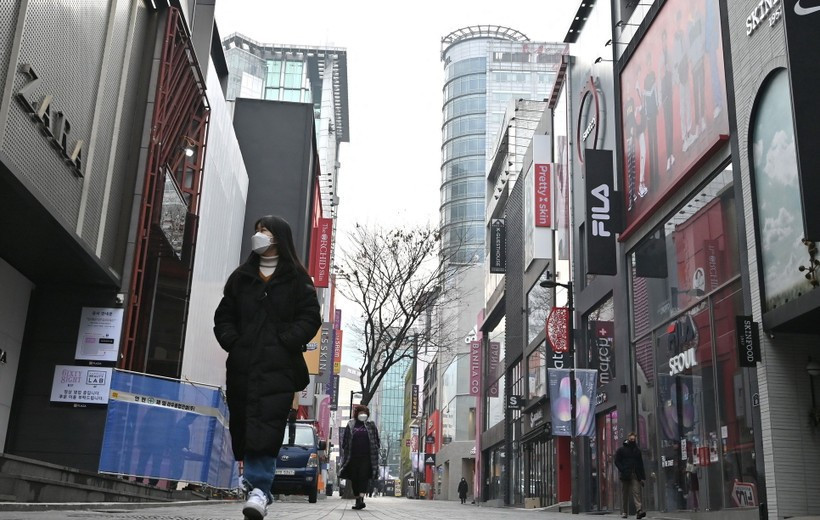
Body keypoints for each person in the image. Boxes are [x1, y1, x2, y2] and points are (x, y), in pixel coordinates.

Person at [213, 215, 321, 520]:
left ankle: (259, 489)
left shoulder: (298, 279)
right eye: (258, 230)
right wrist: (235, 343)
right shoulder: (241, 277)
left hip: (280, 367)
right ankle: (254, 486)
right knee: (245, 424)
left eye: (265, 231)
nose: (259, 235)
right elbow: (223, 317)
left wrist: (285, 341)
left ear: (278, 238)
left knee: (268, 427)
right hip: (243, 366)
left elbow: (310, 318)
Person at [339, 404, 381, 510]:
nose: (363, 415)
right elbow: (345, 439)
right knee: (354, 478)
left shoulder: (371, 425)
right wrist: (346, 449)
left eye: (365, 413)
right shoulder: (351, 424)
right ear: (357, 414)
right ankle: (357, 498)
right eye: (361, 413)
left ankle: (361, 499)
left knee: (363, 477)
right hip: (353, 457)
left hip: (367, 457)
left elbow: (376, 439)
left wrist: (376, 448)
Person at [614, 432, 646, 519]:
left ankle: (639, 510)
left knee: (636, 492)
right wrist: (622, 469)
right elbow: (617, 461)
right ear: (628, 438)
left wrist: (642, 477)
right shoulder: (622, 450)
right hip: (625, 475)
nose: (632, 440)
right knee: (625, 494)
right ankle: (625, 512)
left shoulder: (637, 451)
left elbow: (640, 464)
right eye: (631, 439)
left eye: (634, 439)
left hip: (635, 474)